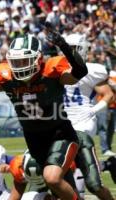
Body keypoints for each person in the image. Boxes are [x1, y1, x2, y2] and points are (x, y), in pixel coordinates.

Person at [0, 24, 88, 199]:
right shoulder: (7, 77)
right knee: (58, 187)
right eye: (16, 62)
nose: (20, 66)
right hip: (33, 139)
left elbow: (80, 72)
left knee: (52, 178)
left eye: (24, 61)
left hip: (60, 133)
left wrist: (65, 48)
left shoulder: (50, 72)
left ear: (38, 58)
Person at [63, 33, 114, 200]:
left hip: (83, 122)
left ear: (82, 49)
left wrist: (94, 110)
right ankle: (107, 165)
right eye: (67, 49)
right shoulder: (57, 67)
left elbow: (108, 95)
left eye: (73, 49)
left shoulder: (92, 70)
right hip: (62, 121)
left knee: (75, 165)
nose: (69, 53)